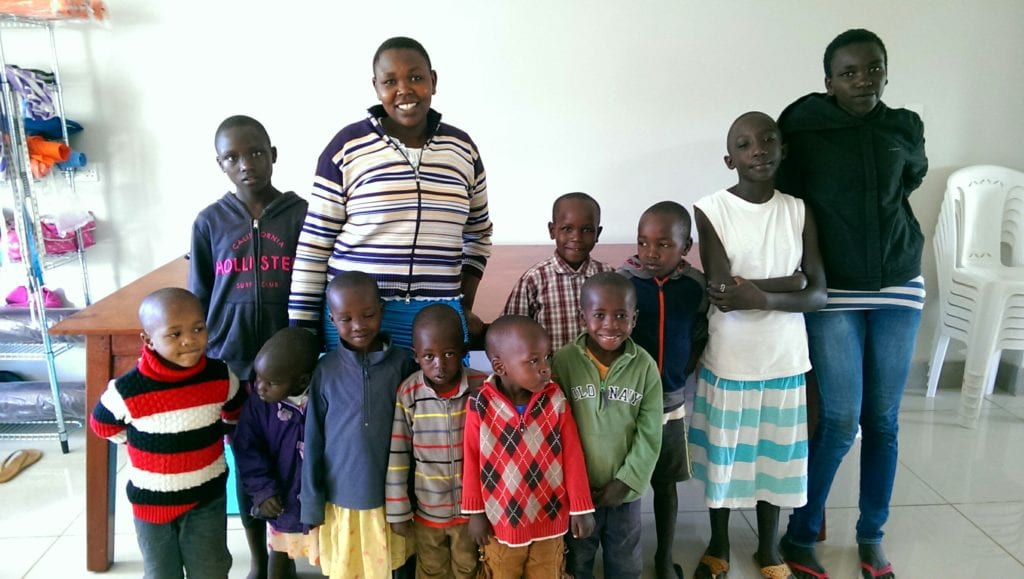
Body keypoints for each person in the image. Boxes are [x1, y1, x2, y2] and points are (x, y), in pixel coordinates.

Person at [776, 29, 928, 579]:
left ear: (885, 72)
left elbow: (909, 179)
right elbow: (787, 192)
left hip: (900, 285)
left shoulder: (904, 126)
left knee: (883, 420)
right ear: (828, 81)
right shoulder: (804, 123)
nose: (862, 79)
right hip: (834, 290)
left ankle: (871, 536)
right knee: (840, 419)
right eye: (848, 72)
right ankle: (801, 532)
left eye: (873, 69)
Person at [287, 36, 492, 351]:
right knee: (359, 401)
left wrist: (461, 303)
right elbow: (314, 246)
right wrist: (300, 331)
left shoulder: (462, 150)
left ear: (433, 81)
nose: (404, 90)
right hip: (359, 321)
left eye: (415, 77)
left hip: (438, 321)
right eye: (390, 81)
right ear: (376, 87)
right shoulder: (346, 147)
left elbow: (478, 234)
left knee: (441, 402)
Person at [688, 111, 826, 579]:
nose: (759, 150)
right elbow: (724, 294)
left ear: (783, 147)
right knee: (726, 458)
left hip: (785, 359)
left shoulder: (798, 210)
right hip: (731, 360)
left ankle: (769, 548)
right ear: (731, 159)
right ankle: (719, 542)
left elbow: (819, 294)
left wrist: (765, 295)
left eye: (768, 140)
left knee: (775, 458)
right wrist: (792, 281)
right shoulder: (710, 208)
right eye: (745, 145)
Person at [189, 114, 307, 578]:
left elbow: (318, 284)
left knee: (292, 455)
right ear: (220, 164)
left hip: (292, 363)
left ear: (273, 154)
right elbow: (198, 296)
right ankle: (259, 555)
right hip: (233, 364)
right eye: (232, 157)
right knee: (249, 455)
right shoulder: (209, 222)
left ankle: (284, 553)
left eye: (256, 152)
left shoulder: (301, 214)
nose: (246, 164)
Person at [89, 288, 245, 579]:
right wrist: (136, 440)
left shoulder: (220, 376)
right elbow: (102, 425)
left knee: (211, 569)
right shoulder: (128, 390)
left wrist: (214, 435)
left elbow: (235, 412)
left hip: (206, 498)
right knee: (161, 572)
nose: (189, 340)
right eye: (174, 334)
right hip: (152, 504)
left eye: (198, 328)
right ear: (148, 340)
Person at [300, 271, 418, 579]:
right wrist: (311, 504)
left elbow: (415, 433)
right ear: (331, 319)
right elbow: (312, 441)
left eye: (367, 315)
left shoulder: (402, 364)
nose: (358, 326)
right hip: (342, 501)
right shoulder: (325, 371)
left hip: (393, 501)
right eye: (346, 318)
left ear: (381, 310)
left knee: (399, 566)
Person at [462, 315, 596, 578]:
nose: (545, 367)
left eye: (547, 357)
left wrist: (581, 507)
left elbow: (572, 455)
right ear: (500, 366)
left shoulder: (555, 400)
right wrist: (475, 513)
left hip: (550, 516)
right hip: (501, 521)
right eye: (534, 361)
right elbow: (471, 458)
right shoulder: (480, 404)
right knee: (501, 571)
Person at [551, 272, 663, 579]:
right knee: (577, 557)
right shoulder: (563, 363)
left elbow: (650, 432)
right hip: (576, 490)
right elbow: (553, 428)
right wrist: (573, 485)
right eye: (599, 315)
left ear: (634, 318)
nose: (610, 325)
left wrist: (626, 481)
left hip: (624, 492)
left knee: (624, 559)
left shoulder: (645, 367)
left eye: (621, 316)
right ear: (582, 316)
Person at [618, 201, 708, 579]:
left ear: (686, 246)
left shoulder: (694, 287)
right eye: (643, 242)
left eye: (664, 245)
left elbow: (700, 334)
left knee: (665, 482)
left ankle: (664, 556)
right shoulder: (623, 281)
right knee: (624, 481)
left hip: (670, 401)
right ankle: (623, 554)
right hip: (628, 402)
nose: (650, 253)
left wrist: (682, 373)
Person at [386, 304, 487, 578]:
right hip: (427, 513)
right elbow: (398, 455)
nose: (439, 364)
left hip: (472, 514)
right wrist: (398, 510)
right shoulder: (409, 393)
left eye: (449, 354)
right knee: (431, 569)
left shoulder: (483, 387)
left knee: (469, 568)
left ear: (464, 353)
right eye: (429, 356)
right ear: (416, 356)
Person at [233, 328, 322, 579]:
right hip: (280, 498)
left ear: (302, 381)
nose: (260, 387)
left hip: (320, 500)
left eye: (271, 382)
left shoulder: (323, 398)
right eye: (257, 377)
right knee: (280, 555)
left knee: (332, 554)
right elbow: (247, 451)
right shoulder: (258, 406)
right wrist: (263, 491)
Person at [503, 192, 614, 351]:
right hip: (550, 374)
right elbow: (510, 335)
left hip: (601, 374)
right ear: (552, 230)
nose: (576, 237)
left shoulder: (609, 277)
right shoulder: (534, 279)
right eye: (567, 229)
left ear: (598, 233)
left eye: (587, 230)